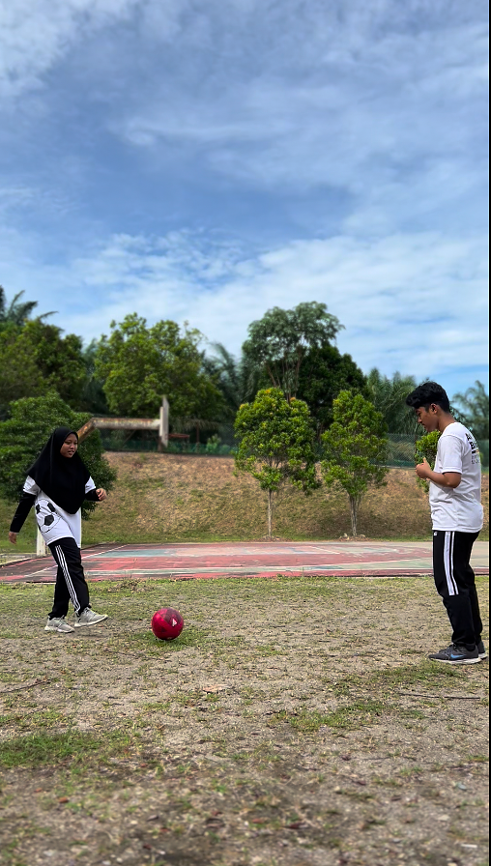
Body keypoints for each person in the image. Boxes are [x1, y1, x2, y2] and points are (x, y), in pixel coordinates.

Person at [406, 382, 486, 664]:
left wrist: (426, 472)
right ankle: (474, 642)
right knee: (461, 578)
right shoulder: (463, 432)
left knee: (449, 581)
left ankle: (464, 646)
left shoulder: (450, 436)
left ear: (434, 408)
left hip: (453, 520)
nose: (419, 420)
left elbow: (452, 480)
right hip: (464, 517)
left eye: (419, 414)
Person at [9, 426, 109, 634]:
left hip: (71, 518)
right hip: (50, 517)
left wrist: (98, 493)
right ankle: (82, 611)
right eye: (68, 443)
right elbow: (26, 499)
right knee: (71, 560)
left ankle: (55, 618)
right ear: (57, 444)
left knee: (67, 566)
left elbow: (88, 491)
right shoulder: (41, 468)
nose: (72, 447)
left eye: (75, 443)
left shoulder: (78, 466)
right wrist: (15, 528)